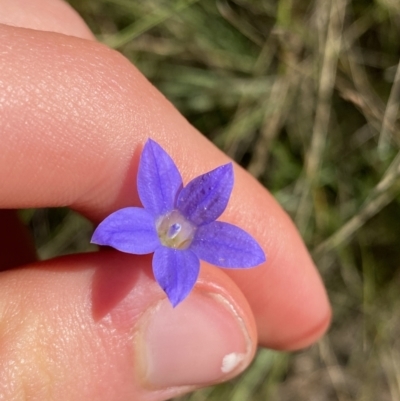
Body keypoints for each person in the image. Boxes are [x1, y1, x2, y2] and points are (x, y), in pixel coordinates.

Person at [0, 0, 331, 399]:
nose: (174, 231)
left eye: (176, 232)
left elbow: (215, 237)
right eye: (172, 230)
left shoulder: (199, 244)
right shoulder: (153, 216)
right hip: (145, 228)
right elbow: (127, 219)